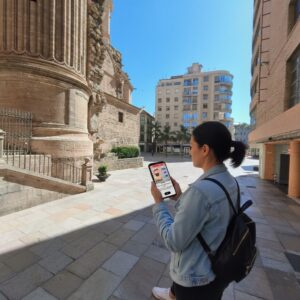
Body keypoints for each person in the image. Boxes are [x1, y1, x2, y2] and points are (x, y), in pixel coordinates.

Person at [150, 121, 246, 300]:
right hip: (218, 268)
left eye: (192, 145)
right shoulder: (229, 181)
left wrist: (158, 204)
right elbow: (207, 217)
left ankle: (175, 294)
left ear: (205, 149)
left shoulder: (201, 191)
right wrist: (180, 198)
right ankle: (172, 293)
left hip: (196, 279)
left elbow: (173, 241)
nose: (189, 150)